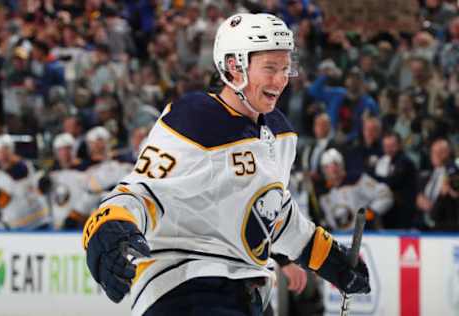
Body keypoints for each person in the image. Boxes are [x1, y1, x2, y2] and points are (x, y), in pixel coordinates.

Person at [82, 13, 370, 316]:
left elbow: (271, 213)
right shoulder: (196, 117)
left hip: (248, 293)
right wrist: (110, 223)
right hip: (184, 287)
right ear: (234, 67)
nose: (281, 79)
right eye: (270, 68)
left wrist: (327, 257)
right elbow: (143, 191)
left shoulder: (281, 133)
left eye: (286, 68)